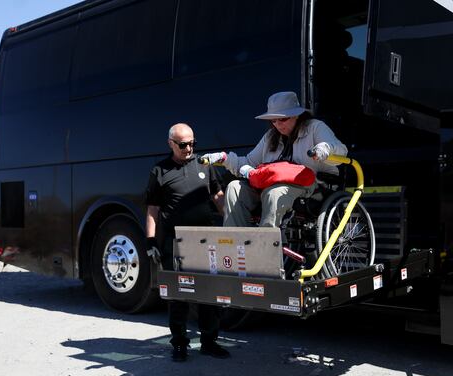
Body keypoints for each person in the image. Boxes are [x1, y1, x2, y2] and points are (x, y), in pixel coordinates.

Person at [145, 122, 229, 362]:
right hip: (176, 241)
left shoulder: (204, 165)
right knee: (179, 294)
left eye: (193, 143)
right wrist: (150, 240)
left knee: (210, 292)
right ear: (171, 144)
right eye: (183, 145)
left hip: (207, 239)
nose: (189, 148)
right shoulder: (159, 171)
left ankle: (209, 342)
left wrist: (232, 223)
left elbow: (218, 196)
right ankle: (179, 344)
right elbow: (153, 208)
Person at [202, 91, 347, 228]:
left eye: (282, 119)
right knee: (235, 187)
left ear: (297, 115)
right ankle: (237, 243)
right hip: (270, 185)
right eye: (273, 120)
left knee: (274, 192)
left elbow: (341, 151)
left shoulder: (315, 127)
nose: (278, 124)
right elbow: (248, 163)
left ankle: (265, 245)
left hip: (310, 185)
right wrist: (224, 158)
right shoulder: (270, 136)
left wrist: (325, 149)